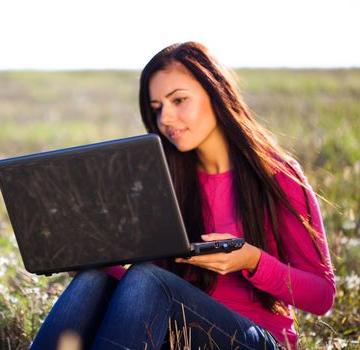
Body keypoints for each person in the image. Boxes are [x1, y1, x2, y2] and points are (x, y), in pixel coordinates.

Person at [30, 41, 336, 350]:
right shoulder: (163, 179)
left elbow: (321, 296)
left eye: (179, 100)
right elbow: (144, 294)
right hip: (177, 335)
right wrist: (89, 260)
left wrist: (253, 260)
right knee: (94, 279)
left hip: (258, 340)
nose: (165, 119)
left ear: (216, 92)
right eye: (157, 108)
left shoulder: (277, 174)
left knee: (148, 279)